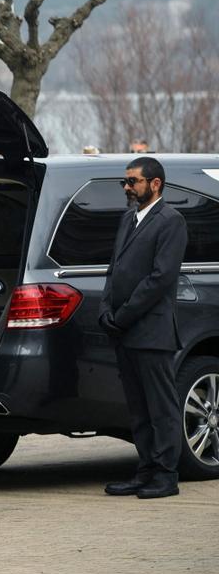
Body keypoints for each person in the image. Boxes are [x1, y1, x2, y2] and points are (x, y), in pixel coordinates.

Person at [99, 157, 188, 500]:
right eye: (125, 182)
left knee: (160, 406)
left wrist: (123, 316)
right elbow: (115, 269)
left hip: (151, 331)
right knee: (137, 407)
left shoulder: (171, 221)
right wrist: (106, 308)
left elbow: (160, 279)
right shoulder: (128, 219)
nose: (126, 187)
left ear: (155, 184)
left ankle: (166, 475)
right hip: (124, 331)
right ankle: (145, 470)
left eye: (133, 181)